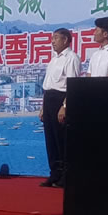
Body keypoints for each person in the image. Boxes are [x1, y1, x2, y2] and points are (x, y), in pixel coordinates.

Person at [38, 28, 80, 188]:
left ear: (66, 40)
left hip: (61, 99)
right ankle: (54, 174)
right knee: (50, 140)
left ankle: (66, 176)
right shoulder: (53, 59)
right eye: (52, 38)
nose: (52, 41)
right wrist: (43, 107)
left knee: (61, 139)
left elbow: (72, 85)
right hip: (49, 99)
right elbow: (47, 85)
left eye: (56, 38)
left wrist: (65, 106)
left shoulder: (72, 58)